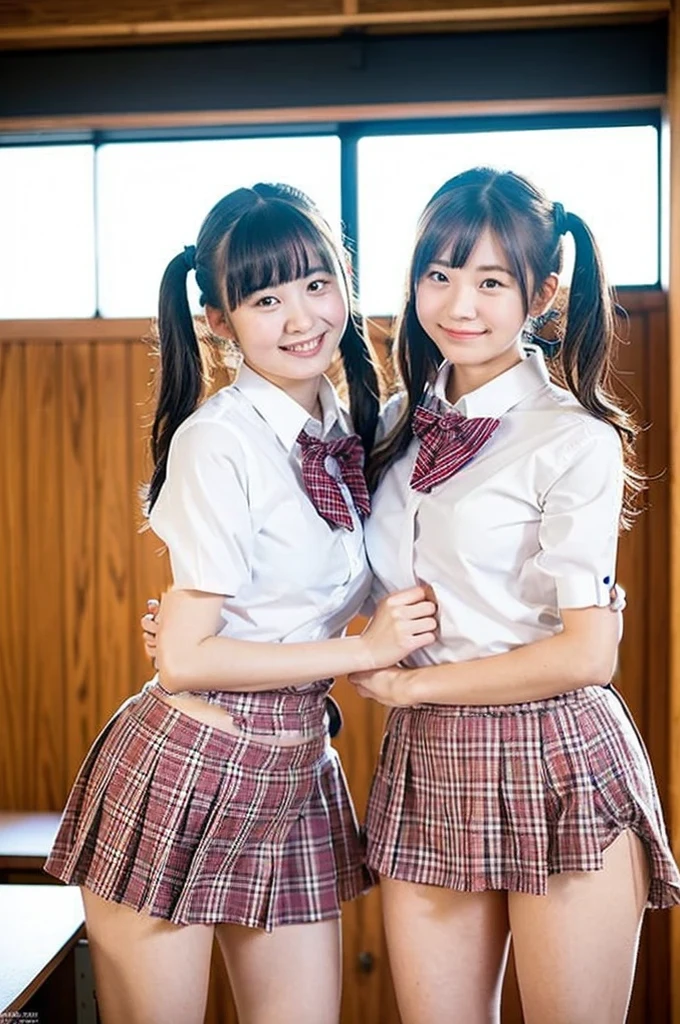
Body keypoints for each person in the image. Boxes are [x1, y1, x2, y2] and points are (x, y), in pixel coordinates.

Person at [45, 182, 438, 1024]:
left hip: (295, 767)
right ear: (220, 322)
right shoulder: (218, 440)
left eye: (316, 283)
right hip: (189, 766)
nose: (301, 317)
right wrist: (364, 651)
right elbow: (184, 657)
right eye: (266, 298)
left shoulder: (357, 424)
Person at [344, 167, 680, 1024]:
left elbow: (587, 653)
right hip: (427, 762)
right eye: (440, 274)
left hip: (553, 754)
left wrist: (410, 682)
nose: (460, 303)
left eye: (491, 280)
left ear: (543, 292)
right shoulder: (389, 424)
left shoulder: (574, 438)